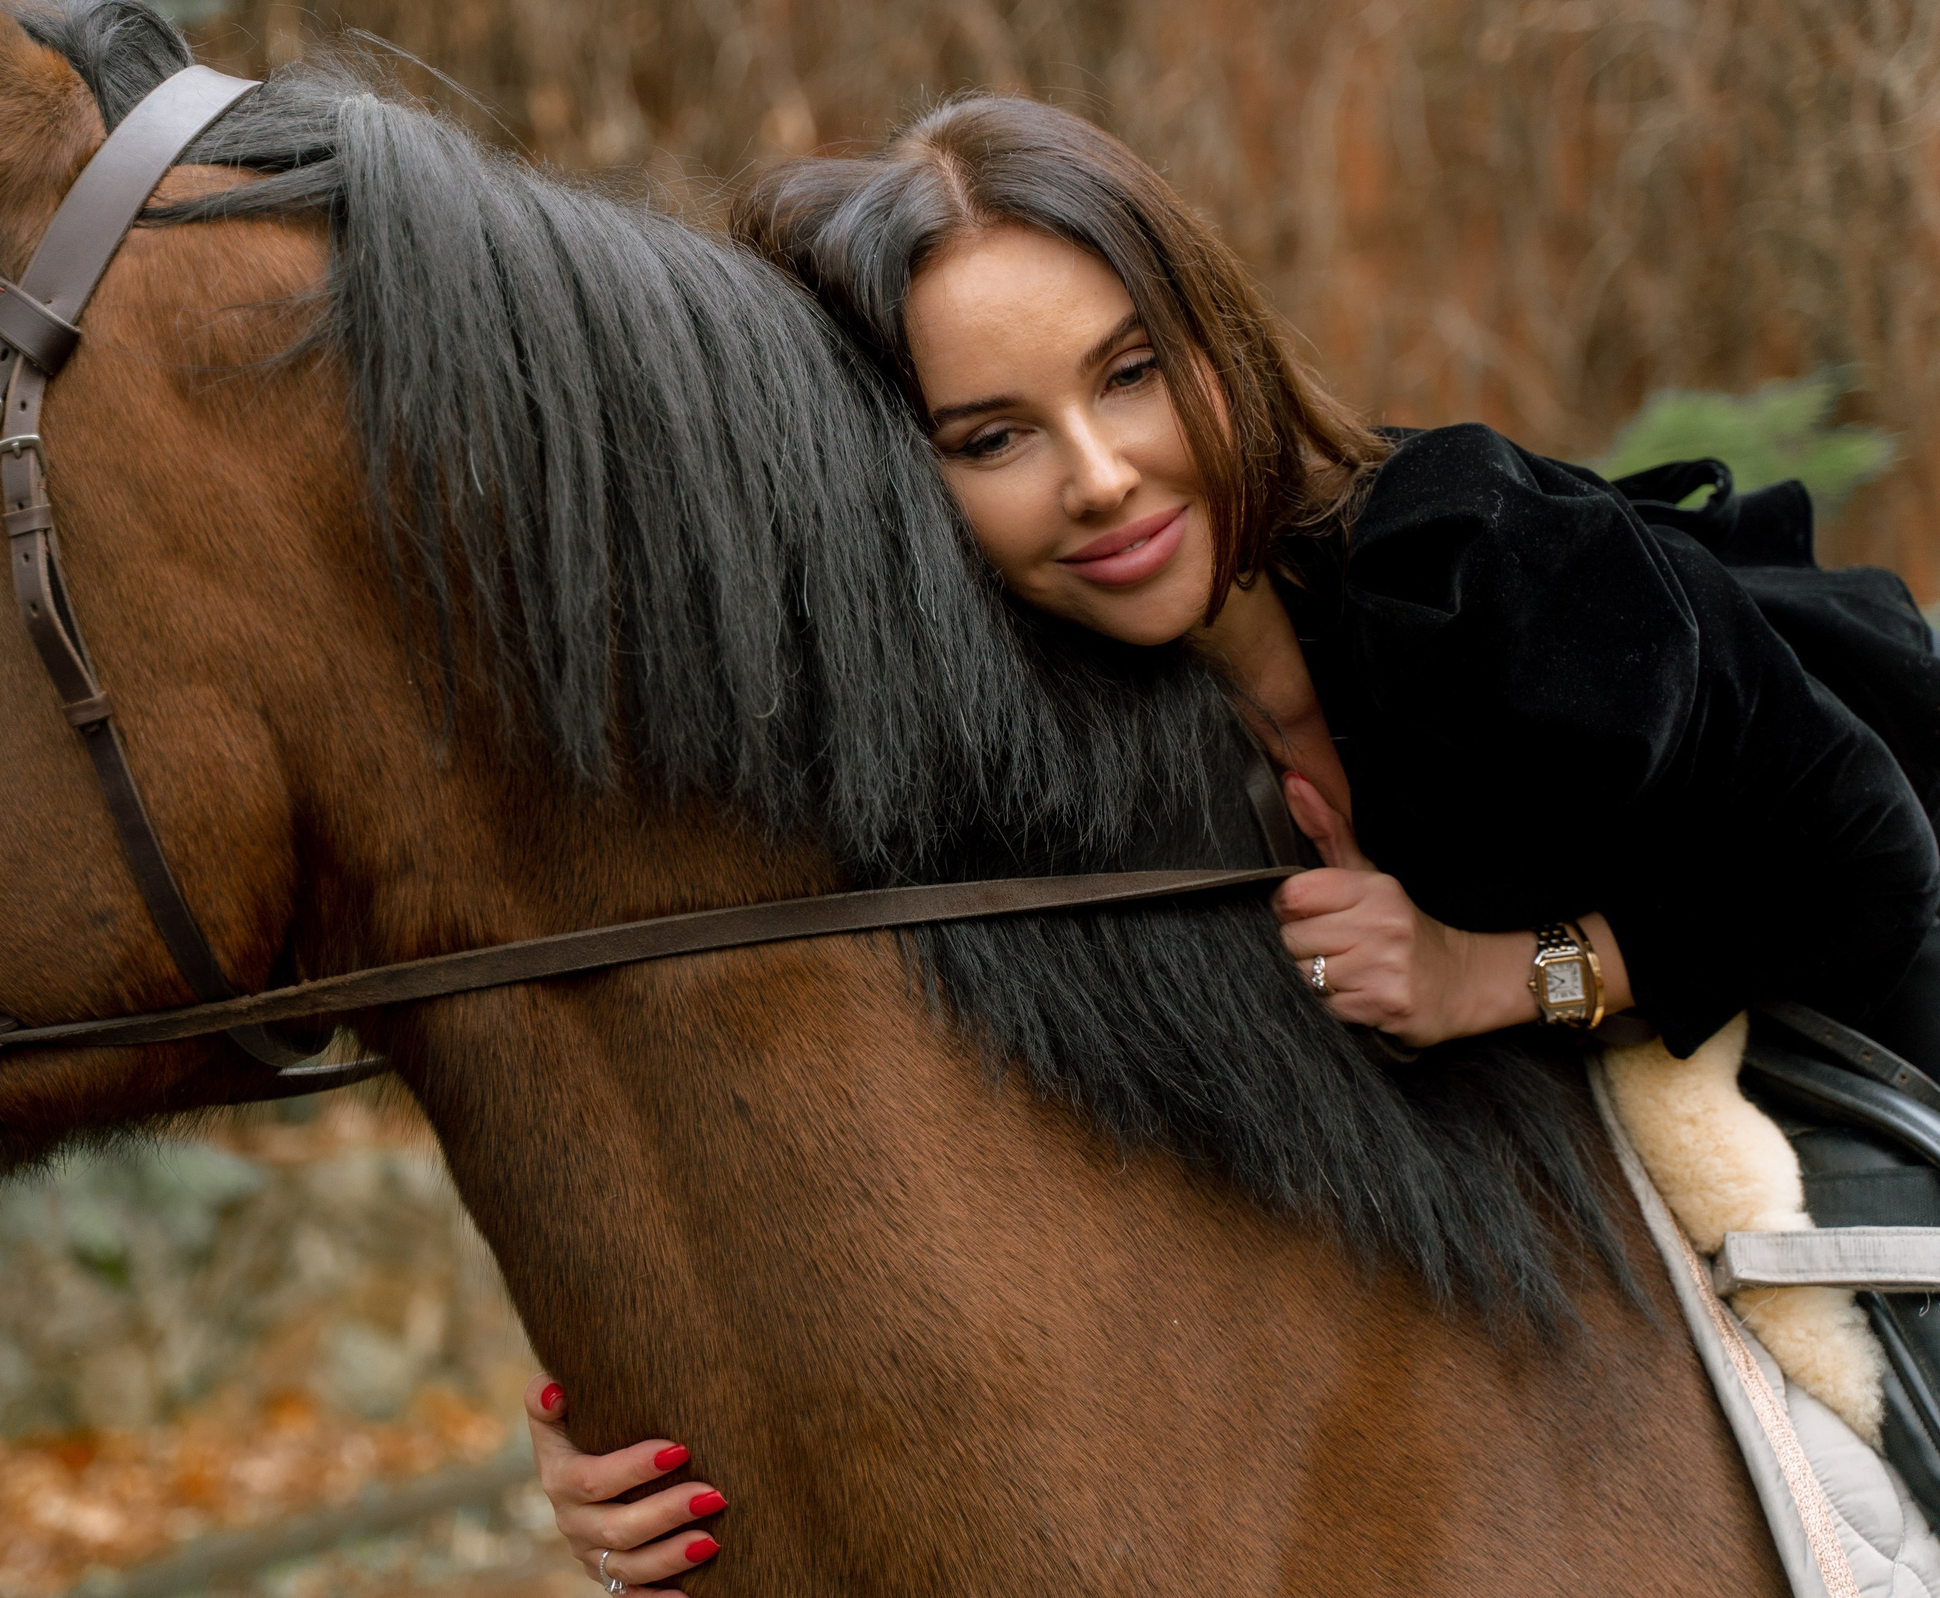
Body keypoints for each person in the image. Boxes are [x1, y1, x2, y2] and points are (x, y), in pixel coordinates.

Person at [524, 94, 1940, 1593]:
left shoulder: (1473, 568)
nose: (1101, 477)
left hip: (1863, 989)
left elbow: (1870, 862)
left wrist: (1502, 975)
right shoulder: (1005, 748)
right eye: (992, 436)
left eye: (1127, 376)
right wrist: (618, 1412)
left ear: (1214, 343)